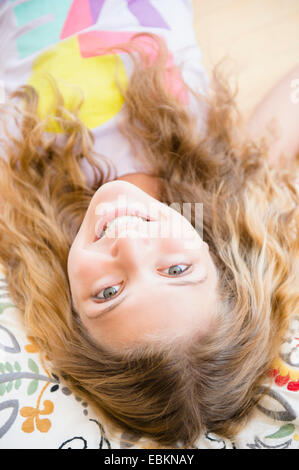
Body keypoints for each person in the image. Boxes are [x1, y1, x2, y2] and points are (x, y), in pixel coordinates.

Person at [0, 0, 298, 447]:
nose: (130, 246)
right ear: (219, 261)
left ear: (72, 312)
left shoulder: (21, 197)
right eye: (176, 270)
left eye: (108, 293)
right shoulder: (219, 180)